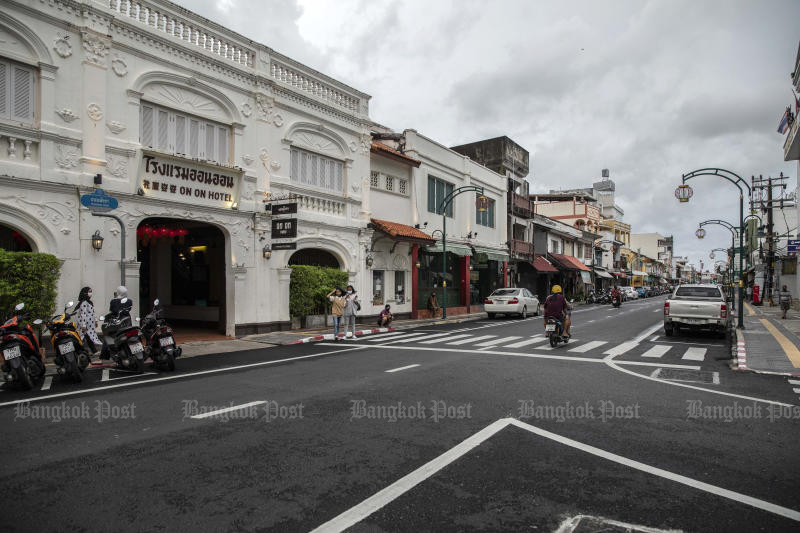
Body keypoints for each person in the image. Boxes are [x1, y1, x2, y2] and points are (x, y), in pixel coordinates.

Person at [75, 286, 101, 358]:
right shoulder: (84, 303)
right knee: (82, 337)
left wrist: (95, 321)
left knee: (86, 337)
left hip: (89, 324)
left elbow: (92, 312)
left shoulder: (89, 302)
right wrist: (83, 325)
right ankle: (91, 351)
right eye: (89, 292)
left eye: (91, 291)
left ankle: (92, 351)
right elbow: (83, 314)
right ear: (85, 293)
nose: (90, 293)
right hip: (85, 324)